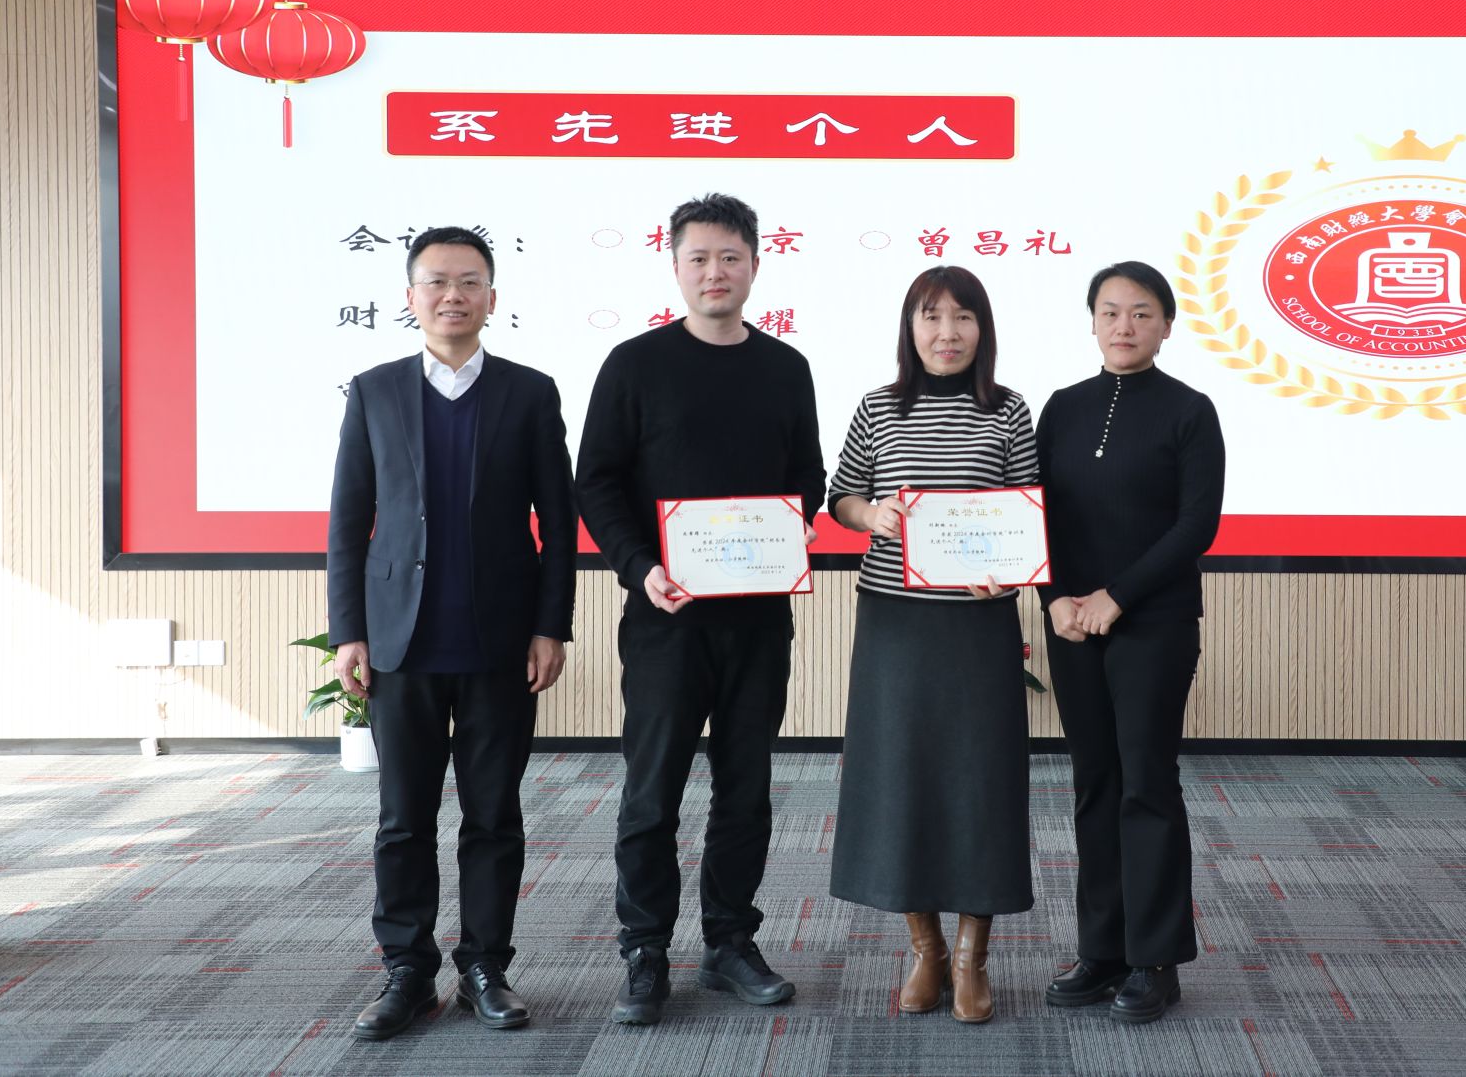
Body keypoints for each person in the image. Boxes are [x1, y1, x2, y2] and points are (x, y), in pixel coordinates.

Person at [575, 193, 825, 1026]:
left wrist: (788, 531)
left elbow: (809, 474)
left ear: (756, 263)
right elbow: (596, 482)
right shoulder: (635, 363)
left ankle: (730, 941)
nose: (715, 272)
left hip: (759, 618)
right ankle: (644, 948)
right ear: (675, 266)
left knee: (746, 789)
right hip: (665, 618)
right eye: (699, 258)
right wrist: (639, 565)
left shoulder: (786, 366)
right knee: (652, 792)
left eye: (730, 257)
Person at [327, 226, 578, 1041]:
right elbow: (348, 520)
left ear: (492, 298)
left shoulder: (529, 392)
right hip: (400, 641)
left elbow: (559, 521)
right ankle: (407, 969)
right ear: (411, 297)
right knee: (403, 817)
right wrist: (348, 631)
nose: (453, 295)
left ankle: (484, 967)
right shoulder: (374, 391)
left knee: (493, 815)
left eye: (469, 281)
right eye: (436, 281)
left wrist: (550, 625)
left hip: (499, 641)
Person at [827, 265, 1039, 1024]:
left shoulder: (1009, 410)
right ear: (909, 327)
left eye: (962, 317)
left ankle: (975, 956)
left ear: (983, 328)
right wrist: (870, 515)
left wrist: (1007, 570)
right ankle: (927, 950)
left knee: (981, 784)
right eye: (931, 316)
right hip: (896, 624)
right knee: (902, 780)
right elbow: (842, 494)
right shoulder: (878, 406)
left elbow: (1028, 511)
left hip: (978, 627)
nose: (946, 333)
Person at [1035, 260, 1225, 1024]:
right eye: (1110, 310)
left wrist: (1118, 596)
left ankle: (1156, 960)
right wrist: (1054, 597)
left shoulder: (1190, 411)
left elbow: (1196, 525)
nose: (1124, 325)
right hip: (1073, 623)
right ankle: (1102, 949)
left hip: (1154, 622)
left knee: (1146, 782)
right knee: (1094, 782)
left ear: (1167, 325)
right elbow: (1037, 510)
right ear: (1092, 321)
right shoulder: (1062, 407)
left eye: (1142, 312)